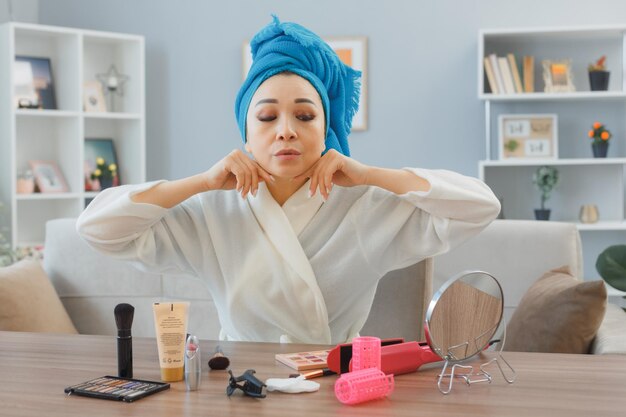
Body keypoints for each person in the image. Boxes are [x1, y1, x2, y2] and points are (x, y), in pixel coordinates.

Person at [76, 16, 500, 345]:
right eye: (266, 117)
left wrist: (368, 174)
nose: (285, 130)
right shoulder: (214, 211)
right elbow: (97, 229)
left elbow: (481, 207)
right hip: (241, 382)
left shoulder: (366, 203)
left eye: (304, 115)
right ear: (246, 133)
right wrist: (201, 183)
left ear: (325, 128)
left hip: (335, 383)